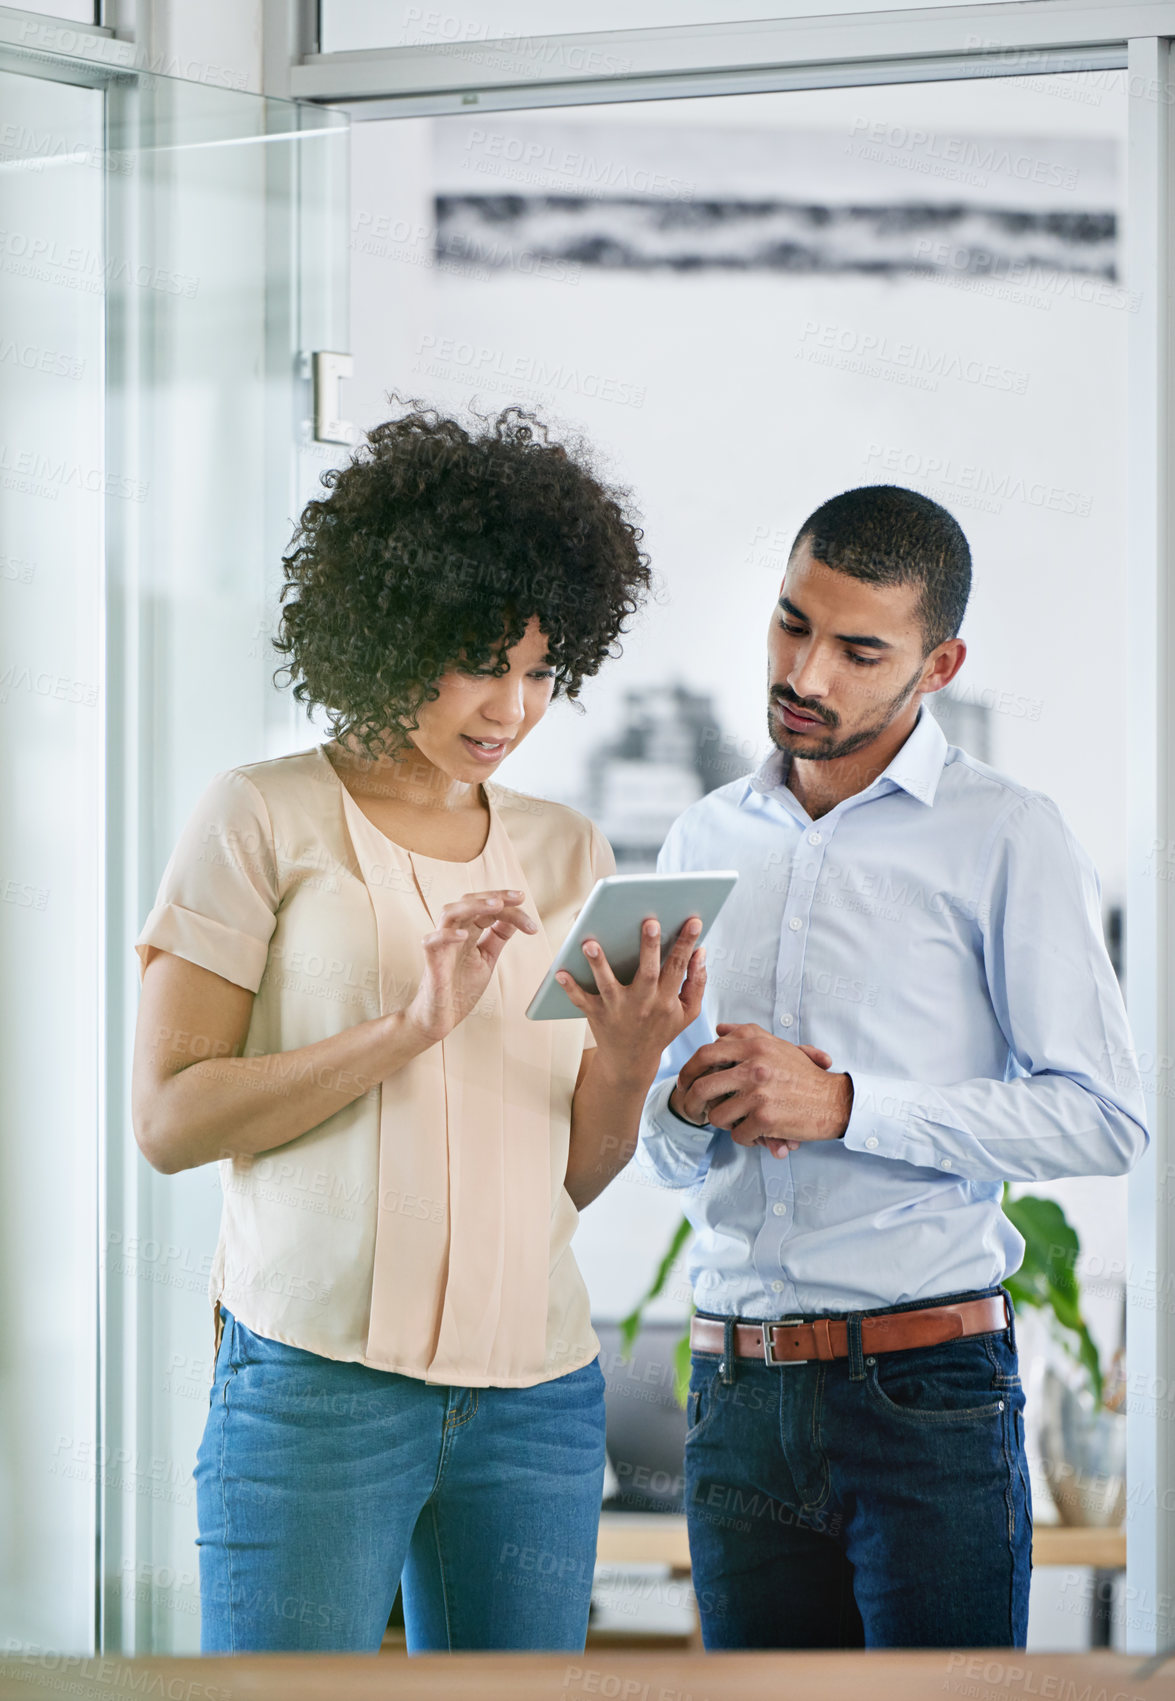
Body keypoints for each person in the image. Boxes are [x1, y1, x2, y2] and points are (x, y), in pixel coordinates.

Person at [130, 403, 708, 1655]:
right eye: (478, 661)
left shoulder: (568, 851)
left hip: (537, 1395)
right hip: (317, 1391)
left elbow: (567, 1176)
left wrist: (626, 1059)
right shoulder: (260, 816)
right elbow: (170, 1121)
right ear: (387, 633)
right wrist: (405, 1027)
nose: (512, 705)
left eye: (543, 670)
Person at [626, 483, 1148, 1650]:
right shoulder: (699, 838)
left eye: (858, 651)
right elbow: (660, 1156)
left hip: (923, 1398)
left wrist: (848, 1104)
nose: (805, 676)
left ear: (939, 662)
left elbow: (1105, 1119)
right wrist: (677, 1101)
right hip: (730, 1393)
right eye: (790, 625)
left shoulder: (1006, 834)